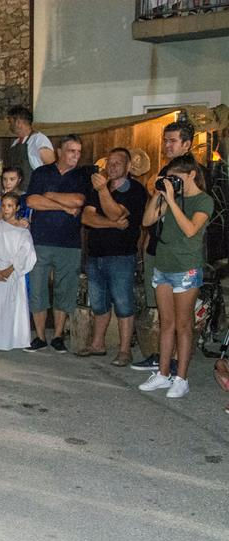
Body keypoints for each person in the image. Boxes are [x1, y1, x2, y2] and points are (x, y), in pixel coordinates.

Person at [138, 155, 213, 399]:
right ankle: (163, 373)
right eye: (169, 178)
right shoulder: (169, 197)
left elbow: (191, 230)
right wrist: (159, 194)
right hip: (163, 266)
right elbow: (147, 220)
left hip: (186, 269)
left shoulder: (204, 200)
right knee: (166, 323)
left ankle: (181, 378)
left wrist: (171, 199)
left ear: (191, 175)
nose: (173, 182)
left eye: (176, 178)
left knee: (183, 324)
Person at [132, 119, 196, 372]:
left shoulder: (194, 175)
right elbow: (154, 213)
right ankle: (162, 357)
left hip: (181, 253)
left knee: (182, 314)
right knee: (162, 309)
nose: (167, 145)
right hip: (158, 246)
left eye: (173, 141)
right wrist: (149, 238)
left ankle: (178, 361)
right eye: (165, 141)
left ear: (187, 144)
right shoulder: (165, 171)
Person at [77, 148, 148, 366]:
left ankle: (125, 350)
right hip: (95, 255)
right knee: (99, 303)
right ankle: (97, 344)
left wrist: (103, 193)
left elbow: (116, 212)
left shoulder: (136, 190)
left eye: (118, 162)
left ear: (128, 167)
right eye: (110, 162)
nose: (113, 166)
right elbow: (87, 218)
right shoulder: (98, 187)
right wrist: (113, 224)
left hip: (121, 256)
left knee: (123, 303)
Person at [24, 135, 87, 353]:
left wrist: (50, 196)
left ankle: (58, 336)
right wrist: (64, 206)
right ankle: (40, 336)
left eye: (78, 152)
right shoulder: (41, 173)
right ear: (59, 151)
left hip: (69, 243)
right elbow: (32, 201)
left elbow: (78, 201)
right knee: (38, 289)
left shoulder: (81, 175)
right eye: (71, 151)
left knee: (65, 289)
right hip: (40, 240)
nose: (75, 156)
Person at [0, 193, 37, 351]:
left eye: (10, 206)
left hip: (14, 273)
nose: (6, 209)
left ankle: (14, 339)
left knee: (14, 305)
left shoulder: (22, 231)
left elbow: (25, 252)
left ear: (17, 208)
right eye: (3, 205)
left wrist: (10, 269)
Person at [5, 105, 55, 190]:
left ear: (18, 122)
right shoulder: (15, 144)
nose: (9, 125)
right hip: (17, 192)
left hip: (36, 191)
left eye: (10, 122)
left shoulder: (39, 140)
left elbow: (52, 167)